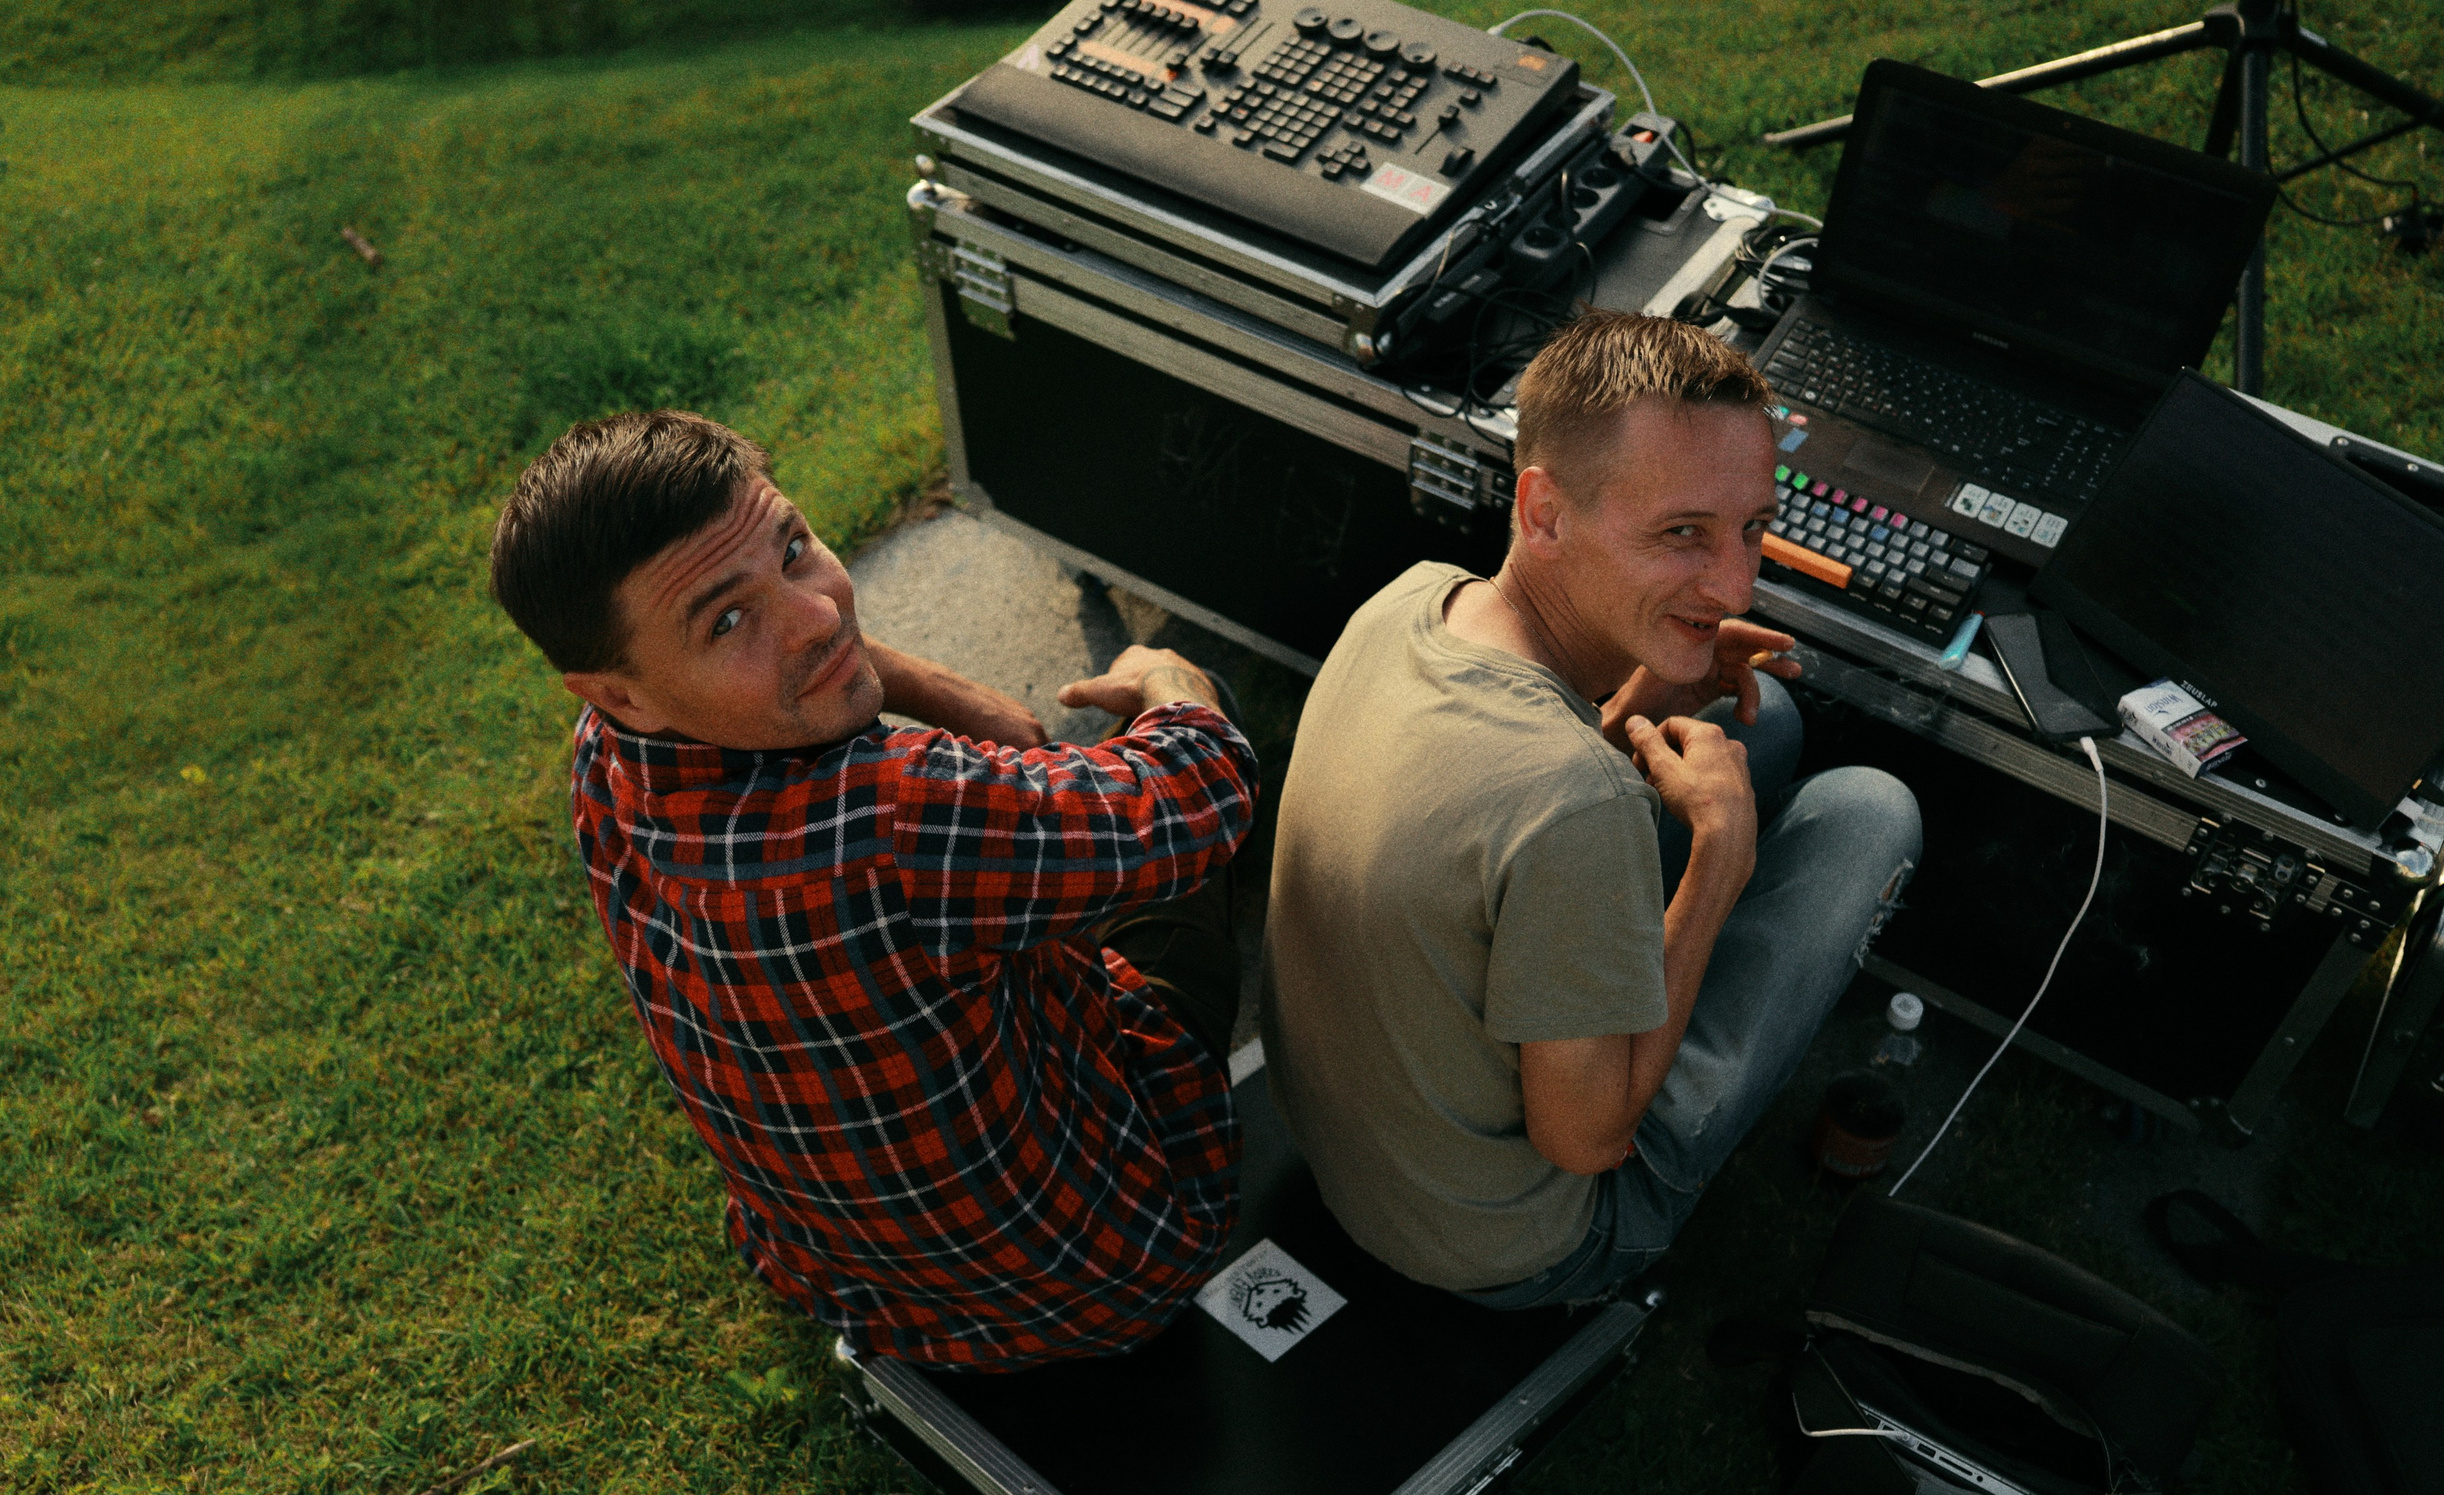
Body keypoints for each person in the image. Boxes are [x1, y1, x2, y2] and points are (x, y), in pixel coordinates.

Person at [487, 410, 1257, 1368]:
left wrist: (941, 691)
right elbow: (1196, 795)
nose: (817, 615)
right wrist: (1173, 681)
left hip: (842, 1274)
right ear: (618, 689)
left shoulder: (608, 754)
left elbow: (813, 637)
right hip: (1107, 1268)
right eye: (728, 620)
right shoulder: (896, 816)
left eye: (797, 548)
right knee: (1197, 777)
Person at [1261, 311, 1922, 1305]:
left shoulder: (1415, 599)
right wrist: (1717, 871)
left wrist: (1646, 695)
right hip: (1502, 1243)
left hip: (1348, 1140)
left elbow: (1502, 818)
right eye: (1680, 536)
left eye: (1750, 528)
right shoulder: (1575, 806)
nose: (1737, 580)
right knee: (1868, 814)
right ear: (1543, 513)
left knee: (1762, 718)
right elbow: (1585, 1139)